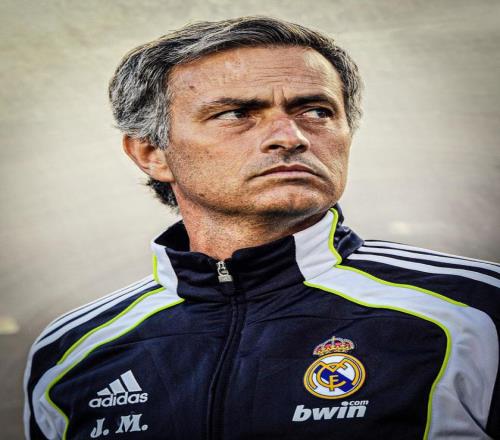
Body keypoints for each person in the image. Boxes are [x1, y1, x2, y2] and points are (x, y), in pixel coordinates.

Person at [24, 16, 499, 440]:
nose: (290, 137)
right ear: (151, 154)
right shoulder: (69, 352)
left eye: (316, 111)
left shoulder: (477, 312)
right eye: (236, 114)